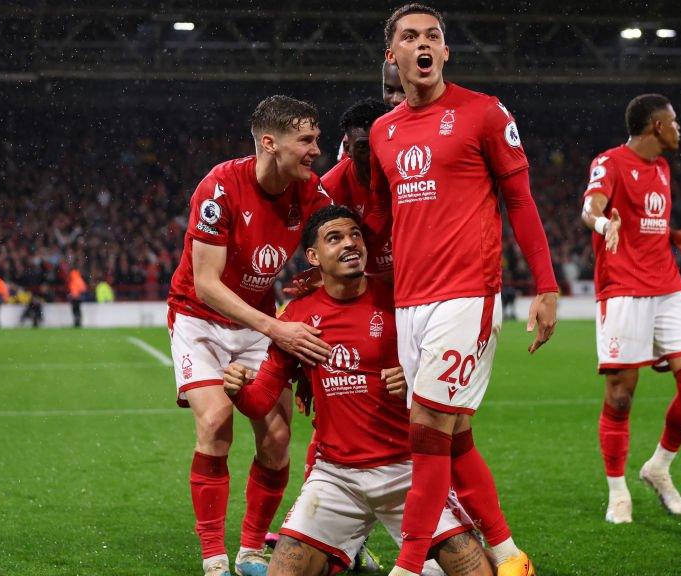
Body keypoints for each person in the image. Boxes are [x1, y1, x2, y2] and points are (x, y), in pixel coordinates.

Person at [367, 5, 559, 576]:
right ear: (392, 56)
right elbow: (380, 218)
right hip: (410, 302)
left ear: (445, 52)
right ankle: (508, 555)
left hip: (467, 294)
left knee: (424, 432)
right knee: (453, 441)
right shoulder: (384, 131)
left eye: (433, 36)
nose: (422, 44)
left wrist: (546, 286)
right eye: (409, 37)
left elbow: (520, 201)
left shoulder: (483, 113)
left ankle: (407, 567)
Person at [225, 205, 494, 576]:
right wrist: (238, 390)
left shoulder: (401, 302)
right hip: (336, 477)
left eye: (355, 235)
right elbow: (260, 401)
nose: (350, 244)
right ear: (314, 257)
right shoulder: (297, 318)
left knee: (479, 573)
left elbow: (448, 369)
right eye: (335, 238)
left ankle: (430, 562)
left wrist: (415, 377)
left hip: (408, 470)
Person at [166, 95, 334, 576]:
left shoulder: (311, 194)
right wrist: (276, 327)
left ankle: (251, 551)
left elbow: (332, 245)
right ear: (269, 143)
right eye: (305, 140)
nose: (314, 150)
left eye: (317, 139)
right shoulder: (219, 188)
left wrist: (317, 281)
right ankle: (214, 557)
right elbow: (206, 284)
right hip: (200, 320)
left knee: (277, 438)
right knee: (217, 422)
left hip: (258, 322)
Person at [580, 93, 681, 525]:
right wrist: (604, 224)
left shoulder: (663, 168)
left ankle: (658, 467)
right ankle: (618, 492)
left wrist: (673, 236)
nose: (679, 128)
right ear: (656, 126)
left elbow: (645, 221)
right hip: (623, 289)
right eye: (673, 121)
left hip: (667, 286)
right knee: (620, 396)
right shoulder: (610, 162)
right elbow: (590, 209)